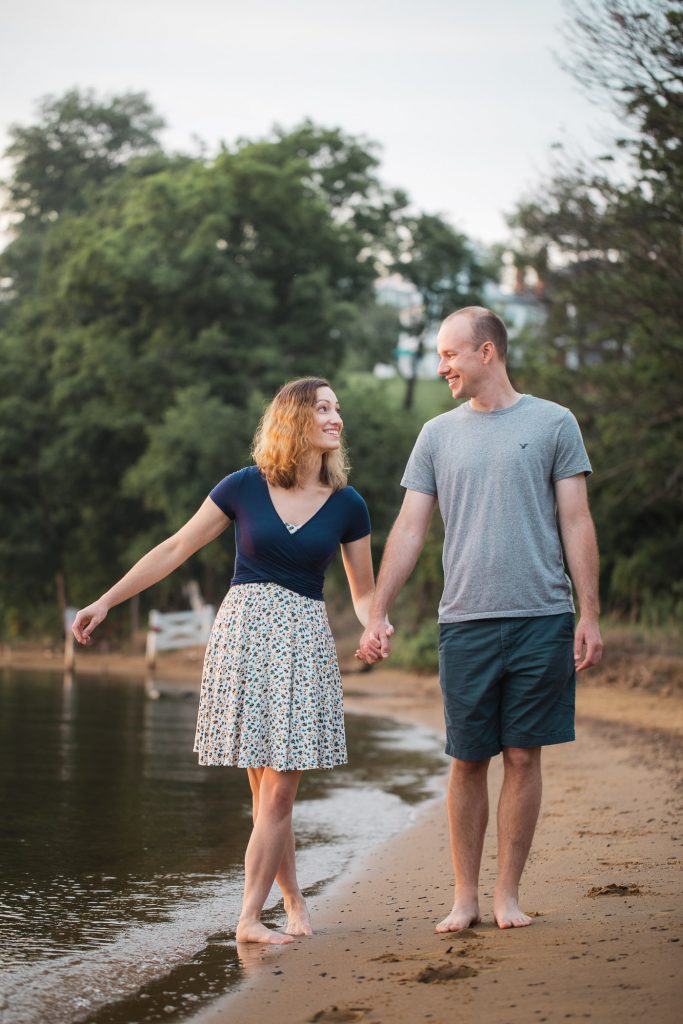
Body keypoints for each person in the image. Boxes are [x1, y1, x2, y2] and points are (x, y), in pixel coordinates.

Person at [73, 377, 387, 945]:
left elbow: (363, 593)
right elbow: (174, 548)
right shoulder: (244, 486)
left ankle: (247, 918)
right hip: (242, 638)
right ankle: (291, 905)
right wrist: (106, 601)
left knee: (281, 791)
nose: (336, 417)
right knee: (266, 791)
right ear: (294, 419)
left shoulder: (349, 505)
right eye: (324, 408)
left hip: (302, 644)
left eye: (337, 408)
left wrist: (376, 623)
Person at [357, 307, 603, 931]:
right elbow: (410, 528)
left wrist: (590, 614)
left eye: (450, 354)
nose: (442, 366)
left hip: (542, 616)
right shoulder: (437, 435)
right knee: (468, 758)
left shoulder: (554, 423)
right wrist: (377, 610)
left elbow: (576, 520)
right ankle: (464, 897)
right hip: (464, 621)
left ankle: (506, 895)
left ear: (487, 352)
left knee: (523, 757)